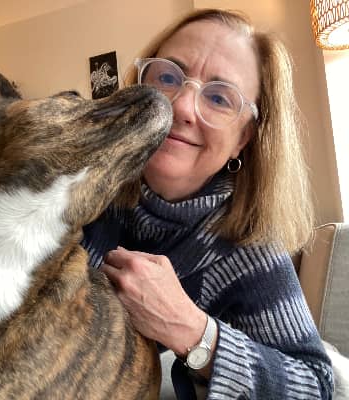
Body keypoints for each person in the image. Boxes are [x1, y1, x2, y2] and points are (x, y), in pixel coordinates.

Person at [82, 8, 334, 400]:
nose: (181, 107)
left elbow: (314, 385)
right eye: (168, 77)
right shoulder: (80, 180)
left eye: (219, 98)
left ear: (243, 138)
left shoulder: (249, 250)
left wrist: (191, 330)